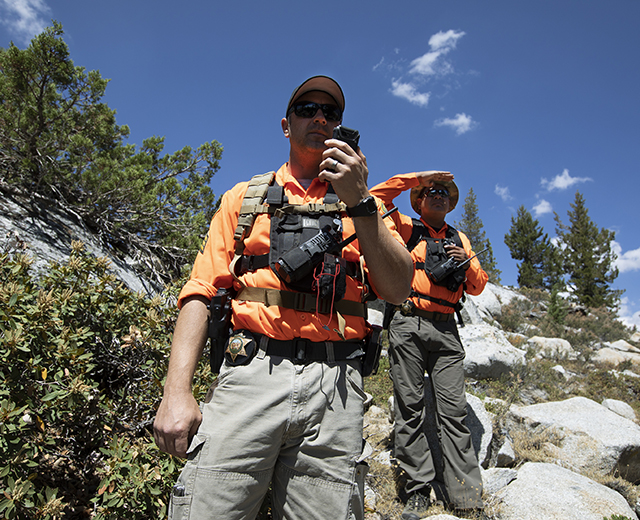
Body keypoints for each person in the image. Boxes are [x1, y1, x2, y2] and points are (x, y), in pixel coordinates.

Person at [153, 75, 413, 520]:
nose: (319, 118)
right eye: (307, 109)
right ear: (285, 125)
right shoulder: (244, 199)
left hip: (336, 389)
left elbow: (399, 287)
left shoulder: (366, 205)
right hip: (250, 376)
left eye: (331, 113)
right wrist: (176, 390)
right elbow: (200, 291)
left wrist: (361, 203)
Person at [370, 171, 487, 519]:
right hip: (408, 322)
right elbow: (376, 197)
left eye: (443, 194)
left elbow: (479, 285)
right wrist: (416, 178)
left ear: (450, 204)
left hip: (447, 330)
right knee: (410, 407)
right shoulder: (406, 227)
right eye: (430, 192)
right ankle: (417, 491)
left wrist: (463, 262)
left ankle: (467, 498)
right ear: (419, 201)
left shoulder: (460, 238)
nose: (437, 196)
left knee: (454, 413)